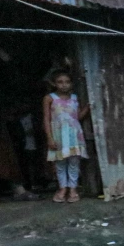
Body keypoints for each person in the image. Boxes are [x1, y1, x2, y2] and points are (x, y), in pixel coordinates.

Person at [43, 69, 89, 204]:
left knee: (74, 163)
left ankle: (73, 189)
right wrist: (49, 138)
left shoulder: (74, 98)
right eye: (60, 82)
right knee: (60, 163)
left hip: (74, 134)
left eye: (67, 82)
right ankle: (62, 189)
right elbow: (46, 119)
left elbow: (77, 116)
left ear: (71, 84)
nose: (64, 85)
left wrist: (88, 107)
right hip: (58, 135)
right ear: (54, 83)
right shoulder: (49, 98)